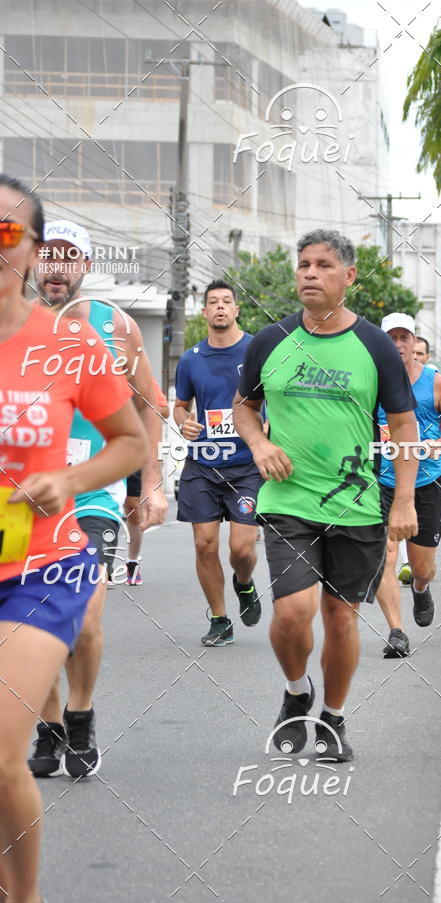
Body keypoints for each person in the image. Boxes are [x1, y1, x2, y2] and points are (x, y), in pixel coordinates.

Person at [0, 174, 147, 903]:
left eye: (8, 234)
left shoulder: (81, 339)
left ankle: (21, 894)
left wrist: (76, 476)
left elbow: (134, 434)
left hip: (49, 550)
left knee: (2, 751)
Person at [233, 229, 419, 761]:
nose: (310, 274)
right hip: (287, 500)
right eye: (303, 265)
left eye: (323, 265)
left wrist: (402, 500)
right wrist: (259, 442)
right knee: (293, 612)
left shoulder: (375, 346)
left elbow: (405, 428)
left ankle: (333, 719)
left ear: (349, 277)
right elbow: (243, 405)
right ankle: (296, 694)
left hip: (355, 502)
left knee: (341, 617)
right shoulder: (271, 340)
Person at [28, 219, 167, 780]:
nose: (56, 267)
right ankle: (49, 723)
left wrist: (151, 482)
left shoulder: (117, 326)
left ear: (85, 266)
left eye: (69, 257)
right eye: (48, 256)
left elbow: (149, 404)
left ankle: (79, 715)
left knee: (83, 619)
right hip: (21, 496)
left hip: (92, 488)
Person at [174, 279, 263, 646]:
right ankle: (220, 619)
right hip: (203, 465)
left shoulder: (257, 349)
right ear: (205, 311)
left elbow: (274, 395)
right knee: (204, 544)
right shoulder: (191, 359)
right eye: (214, 302)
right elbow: (180, 406)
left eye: (228, 301)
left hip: (246, 465)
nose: (221, 307)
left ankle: (244, 584)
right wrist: (184, 423)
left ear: (237, 309)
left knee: (241, 548)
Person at [375, 314, 441, 657]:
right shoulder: (372, 382)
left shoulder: (435, 382)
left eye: (404, 337)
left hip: (426, 483)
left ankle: (420, 587)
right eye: (391, 338)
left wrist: (438, 444)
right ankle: (396, 631)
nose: (398, 344)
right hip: (382, 483)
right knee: (384, 558)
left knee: (423, 566)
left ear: (415, 343)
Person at [123, 378, 170, 586]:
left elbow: (163, 409)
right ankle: (97, 562)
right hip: (98, 447)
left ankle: (132, 560)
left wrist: (133, 409)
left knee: (132, 506)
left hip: (131, 448)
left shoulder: (133, 370)